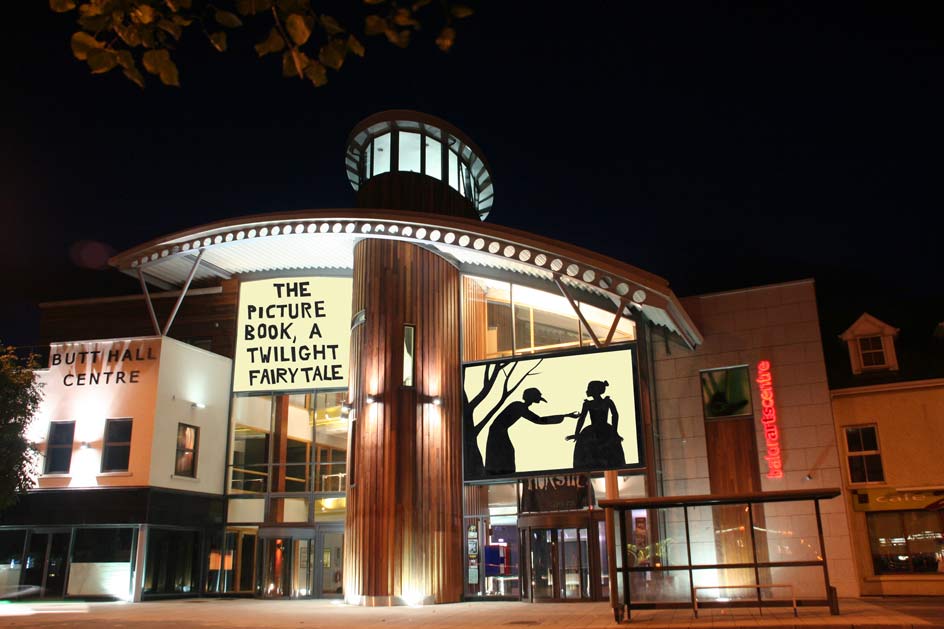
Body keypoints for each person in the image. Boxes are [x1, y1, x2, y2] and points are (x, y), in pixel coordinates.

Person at [484, 387, 578, 475]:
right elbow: (539, 420)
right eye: (538, 396)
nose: (540, 398)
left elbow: (538, 420)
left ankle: (500, 471)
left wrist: (565, 415)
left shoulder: (520, 406)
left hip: (499, 431)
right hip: (498, 432)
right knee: (505, 453)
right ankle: (499, 472)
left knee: (507, 452)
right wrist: (565, 415)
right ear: (532, 397)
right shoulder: (519, 406)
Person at [566, 380, 625, 469]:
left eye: (589, 388)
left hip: (605, 431)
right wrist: (577, 433)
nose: (587, 391)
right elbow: (582, 418)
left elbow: (615, 416)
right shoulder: (587, 404)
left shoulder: (607, 402)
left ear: (595, 390)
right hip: (593, 433)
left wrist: (614, 432)